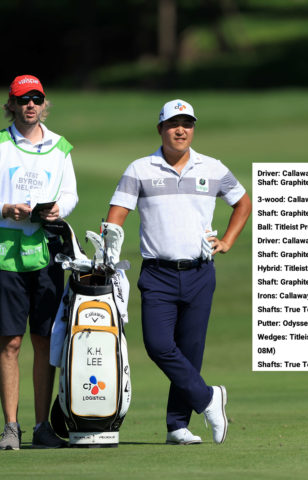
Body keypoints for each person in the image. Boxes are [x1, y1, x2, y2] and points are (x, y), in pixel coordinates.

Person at [106, 99, 251, 445]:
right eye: (174, 124)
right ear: (161, 129)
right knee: (158, 345)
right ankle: (209, 399)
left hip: (201, 272)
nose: (181, 129)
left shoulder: (212, 168)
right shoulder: (140, 169)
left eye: (187, 123)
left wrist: (228, 240)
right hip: (158, 273)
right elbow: (116, 215)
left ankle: (177, 426)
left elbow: (243, 202)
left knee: (190, 351)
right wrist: (108, 249)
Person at [0, 74, 77, 450]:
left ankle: (42, 426)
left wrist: (60, 209)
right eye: (22, 99)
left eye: (36, 98)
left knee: (45, 339)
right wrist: (4, 208)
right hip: (6, 254)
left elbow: (70, 193)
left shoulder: (60, 147)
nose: (30, 104)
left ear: (44, 104)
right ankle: (11, 426)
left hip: (47, 252)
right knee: (10, 340)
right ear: (10, 105)